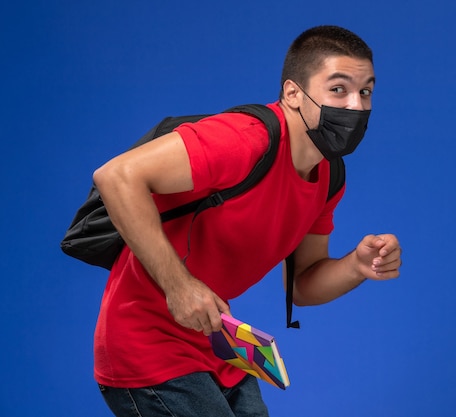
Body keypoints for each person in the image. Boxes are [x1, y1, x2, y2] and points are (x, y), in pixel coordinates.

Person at [92, 25, 402, 417]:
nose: (356, 106)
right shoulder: (244, 139)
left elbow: (303, 285)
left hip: (218, 344)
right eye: (338, 89)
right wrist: (178, 286)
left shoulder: (328, 176)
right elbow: (116, 176)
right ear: (293, 93)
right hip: (148, 345)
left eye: (366, 91)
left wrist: (356, 266)